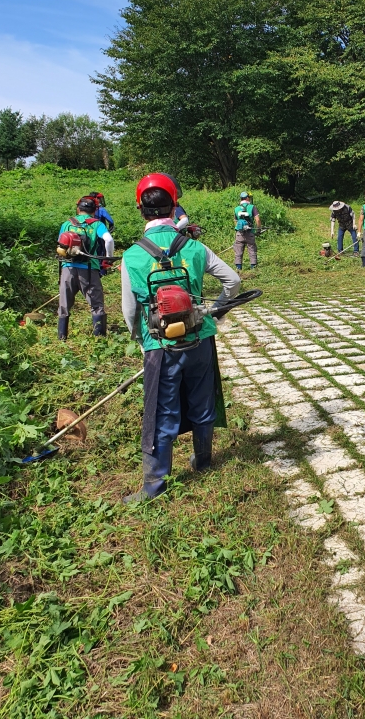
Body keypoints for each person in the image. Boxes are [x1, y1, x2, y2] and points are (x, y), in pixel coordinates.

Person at [121, 174, 240, 502]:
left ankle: (155, 486)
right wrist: (215, 312)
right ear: (174, 207)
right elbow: (233, 281)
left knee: (161, 411)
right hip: (200, 340)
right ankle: (203, 460)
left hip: (161, 346)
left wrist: (140, 339)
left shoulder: (132, 255)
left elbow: (129, 311)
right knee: (202, 401)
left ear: (140, 210)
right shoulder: (195, 247)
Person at [57, 196, 115, 340]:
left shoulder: (67, 224)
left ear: (78, 208)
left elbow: (60, 246)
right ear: (95, 210)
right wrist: (108, 258)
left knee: (64, 305)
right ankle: (99, 339)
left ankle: (61, 337)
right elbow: (109, 240)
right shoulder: (96, 224)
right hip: (89, 269)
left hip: (67, 269)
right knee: (96, 305)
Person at [233, 192, 261, 271]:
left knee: (238, 251)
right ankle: (253, 268)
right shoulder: (252, 207)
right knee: (252, 249)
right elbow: (258, 220)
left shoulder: (236, 208)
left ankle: (238, 268)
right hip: (250, 232)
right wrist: (258, 229)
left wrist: (239, 228)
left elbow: (235, 220)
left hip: (239, 233)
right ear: (247, 198)